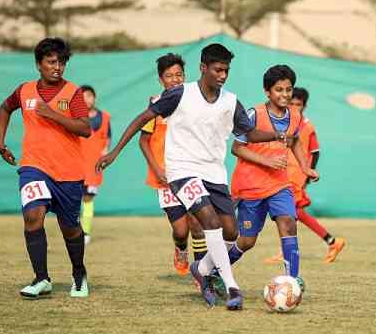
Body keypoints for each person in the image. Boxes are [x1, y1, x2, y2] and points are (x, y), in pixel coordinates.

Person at [96, 43, 288, 310]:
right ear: (203, 68)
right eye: (218, 70)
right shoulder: (179, 94)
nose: (222, 75)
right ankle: (232, 287)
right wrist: (115, 151)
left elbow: (248, 133)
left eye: (226, 71)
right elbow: (142, 119)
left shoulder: (230, 101)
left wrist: (276, 135)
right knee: (208, 220)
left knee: (231, 231)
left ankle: (201, 267)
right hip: (181, 170)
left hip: (214, 172)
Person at [0, 37, 92, 299]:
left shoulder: (73, 93)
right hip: (34, 167)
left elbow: (85, 128)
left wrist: (53, 114)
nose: (57, 67)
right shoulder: (24, 91)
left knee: (70, 228)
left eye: (61, 62)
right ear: (39, 64)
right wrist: (0, 142)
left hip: (68, 173)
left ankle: (79, 274)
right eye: (51, 62)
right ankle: (41, 279)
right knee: (32, 217)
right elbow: (5, 108)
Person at [228, 66, 319, 288]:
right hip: (251, 187)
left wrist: (305, 167)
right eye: (279, 90)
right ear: (267, 91)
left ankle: (292, 280)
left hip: (280, 183)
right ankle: (214, 271)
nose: (285, 95)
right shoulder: (253, 114)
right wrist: (267, 161)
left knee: (289, 223)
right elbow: (237, 148)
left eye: (289, 90)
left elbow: (294, 140)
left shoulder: (295, 116)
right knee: (247, 241)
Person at [138, 53, 207, 276]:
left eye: (179, 75)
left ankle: (201, 274)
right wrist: (157, 170)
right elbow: (144, 141)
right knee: (180, 230)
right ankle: (180, 248)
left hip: (191, 173)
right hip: (166, 178)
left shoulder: (194, 102)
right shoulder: (155, 105)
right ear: (161, 79)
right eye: (169, 76)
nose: (175, 79)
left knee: (197, 224)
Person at [264, 87, 345, 265]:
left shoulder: (306, 126)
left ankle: (327, 242)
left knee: (287, 213)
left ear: (304, 106)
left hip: (295, 176)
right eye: (291, 103)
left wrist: (307, 174)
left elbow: (315, 152)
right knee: (291, 213)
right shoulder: (285, 122)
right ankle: (331, 241)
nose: (294, 107)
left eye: (298, 104)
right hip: (282, 173)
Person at [79, 85, 111, 245]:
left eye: (89, 96)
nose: (86, 99)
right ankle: (74, 231)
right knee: (71, 200)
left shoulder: (104, 117)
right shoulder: (75, 118)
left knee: (88, 199)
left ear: (94, 97)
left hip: (93, 168)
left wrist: (105, 154)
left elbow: (107, 140)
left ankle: (85, 232)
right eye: (83, 97)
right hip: (75, 167)